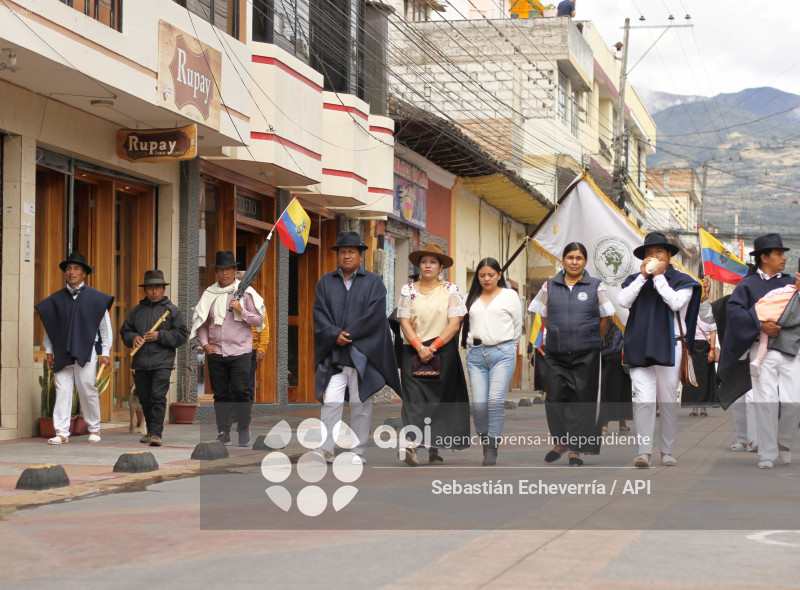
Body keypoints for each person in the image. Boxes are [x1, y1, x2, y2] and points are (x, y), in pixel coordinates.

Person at [313, 231, 402, 464]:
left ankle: (357, 451)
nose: (347, 256)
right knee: (331, 400)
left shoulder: (374, 282)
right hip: (335, 353)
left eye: (351, 252)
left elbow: (374, 315)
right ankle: (327, 449)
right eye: (342, 252)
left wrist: (348, 335)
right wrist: (334, 334)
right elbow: (319, 314)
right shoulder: (325, 282)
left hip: (362, 352)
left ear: (361, 256)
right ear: (338, 256)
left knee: (360, 402)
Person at [618, 232, 702, 468]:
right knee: (644, 400)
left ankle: (666, 450)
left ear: (668, 257)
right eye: (648, 254)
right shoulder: (636, 279)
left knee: (667, 401)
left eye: (658, 253)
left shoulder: (682, 281)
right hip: (640, 345)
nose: (653, 257)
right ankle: (644, 452)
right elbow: (623, 301)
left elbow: (674, 302)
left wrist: (658, 278)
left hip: (671, 346)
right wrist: (643, 277)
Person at [718, 233, 800, 469]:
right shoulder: (747, 284)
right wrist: (759, 324)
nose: (784, 258)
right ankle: (767, 452)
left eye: (784, 254)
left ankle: (784, 442)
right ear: (763, 257)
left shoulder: (791, 283)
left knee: (794, 400)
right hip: (760, 350)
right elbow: (734, 312)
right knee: (765, 402)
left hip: (791, 349)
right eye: (779, 254)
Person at [528, 242, 614, 466]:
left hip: (586, 354)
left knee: (580, 402)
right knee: (555, 400)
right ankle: (561, 441)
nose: (574, 262)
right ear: (563, 260)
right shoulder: (549, 286)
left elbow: (606, 316)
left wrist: (593, 337)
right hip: (556, 353)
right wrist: (556, 333)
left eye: (578, 258)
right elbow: (544, 315)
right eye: (570, 257)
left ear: (585, 262)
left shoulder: (596, 286)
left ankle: (575, 449)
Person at [398, 242, 470, 466]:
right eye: (424, 261)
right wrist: (420, 346)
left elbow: (454, 323)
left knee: (437, 401)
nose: (428, 265)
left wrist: (433, 346)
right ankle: (410, 444)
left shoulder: (451, 290)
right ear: (419, 265)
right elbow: (405, 322)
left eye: (433, 262)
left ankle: (433, 448)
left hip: (443, 350)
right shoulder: (407, 290)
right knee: (413, 399)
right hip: (413, 350)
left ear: (441, 267)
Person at [35, 252, 114, 445]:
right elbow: (50, 328)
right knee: (62, 390)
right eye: (69, 268)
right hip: (61, 351)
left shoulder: (96, 298)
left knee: (87, 389)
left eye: (76, 268)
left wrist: (105, 352)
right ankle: (61, 432)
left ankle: (94, 428)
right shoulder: (55, 300)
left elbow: (105, 327)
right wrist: (48, 351)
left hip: (86, 350)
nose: (71, 272)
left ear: (84, 273)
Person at [190, 250, 265, 447]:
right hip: (216, 351)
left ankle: (243, 426)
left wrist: (242, 310)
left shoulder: (246, 292)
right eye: (221, 270)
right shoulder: (210, 294)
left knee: (241, 391)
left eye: (228, 269)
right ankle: (223, 430)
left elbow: (259, 320)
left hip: (240, 351)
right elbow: (203, 323)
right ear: (217, 272)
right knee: (220, 393)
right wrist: (205, 344)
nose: (224, 273)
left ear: (234, 270)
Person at [462, 257, 523, 465]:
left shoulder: (509, 296)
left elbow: (517, 326)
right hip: (476, 355)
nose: (486, 278)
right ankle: (485, 437)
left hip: (502, 352)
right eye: (482, 275)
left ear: (499, 275)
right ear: (477, 277)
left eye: (491, 274)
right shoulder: (469, 297)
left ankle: (491, 446)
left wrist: (509, 348)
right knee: (479, 405)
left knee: (495, 401)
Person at [119, 270, 188, 446]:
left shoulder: (171, 311)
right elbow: (125, 331)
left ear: (163, 289)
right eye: (150, 288)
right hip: (141, 362)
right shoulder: (137, 311)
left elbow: (181, 336)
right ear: (145, 290)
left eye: (157, 288)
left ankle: (157, 433)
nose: (154, 292)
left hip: (162, 362)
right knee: (145, 398)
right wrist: (133, 337)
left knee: (158, 397)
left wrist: (160, 336)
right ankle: (150, 431)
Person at [230, 270, 269, 427]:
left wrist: (262, 347)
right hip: (231, 348)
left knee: (246, 385)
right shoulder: (229, 300)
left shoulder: (256, 301)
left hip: (250, 349)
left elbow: (264, 326)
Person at [681, 277, 719, 419]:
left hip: (705, 346)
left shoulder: (708, 309)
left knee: (705, 379)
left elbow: (713, 330)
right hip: (691, 345)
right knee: (692, 378)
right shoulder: (689, 310)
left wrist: (712, 349)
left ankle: (704, 408)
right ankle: (694, 408)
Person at [599, 321, 632, 434]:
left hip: (603, 353)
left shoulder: (603, 309)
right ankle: (622, 425)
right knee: (622, 388)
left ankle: (604, 425)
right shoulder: (620, 312)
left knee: (604, 388)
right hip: (620, 354)